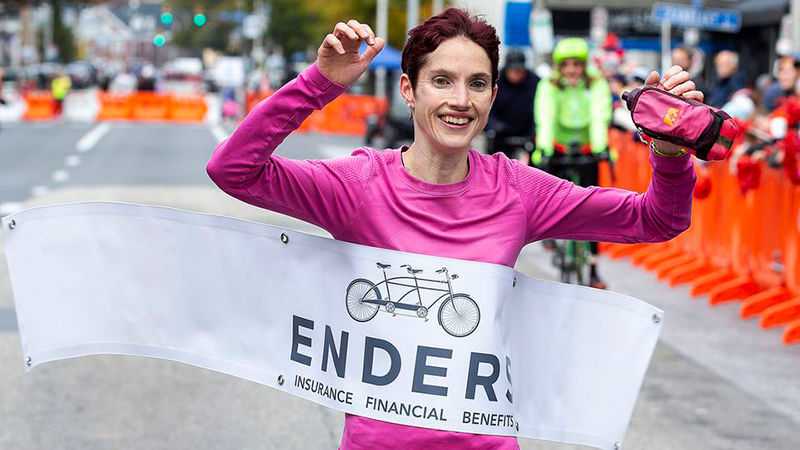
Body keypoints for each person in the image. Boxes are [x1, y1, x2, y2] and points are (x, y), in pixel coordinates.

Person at [207, 9, 700, 449]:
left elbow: (657, 218)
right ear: (409, 90)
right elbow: (234, 170)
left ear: (492, 94)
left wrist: (671, 151)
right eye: (442, 80)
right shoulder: (358, 186)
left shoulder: (519, 191)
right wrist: (319, 84)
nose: (461, 100)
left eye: (477, 83)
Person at [532, 37, 613, 289]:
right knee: (550, 194)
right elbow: (546, 116)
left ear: (584, 65)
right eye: (565, 65)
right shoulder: (549, 85)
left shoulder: (596, 83)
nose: (571, 70)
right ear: (558, 66)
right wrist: (544, 147)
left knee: (592, 209)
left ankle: (593, 269)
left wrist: (601, 148)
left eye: (576, 64)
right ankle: (549, 232)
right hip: (556, 146)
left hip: (588, 148)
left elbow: (600, 115)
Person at [485, 49, 539, 161]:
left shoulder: (535, 82)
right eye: (513, 70)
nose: (516, 74)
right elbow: (487, 109)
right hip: (501, 132)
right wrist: (494, 126)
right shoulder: (496, 82)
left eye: (519, 70)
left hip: (527, 131)